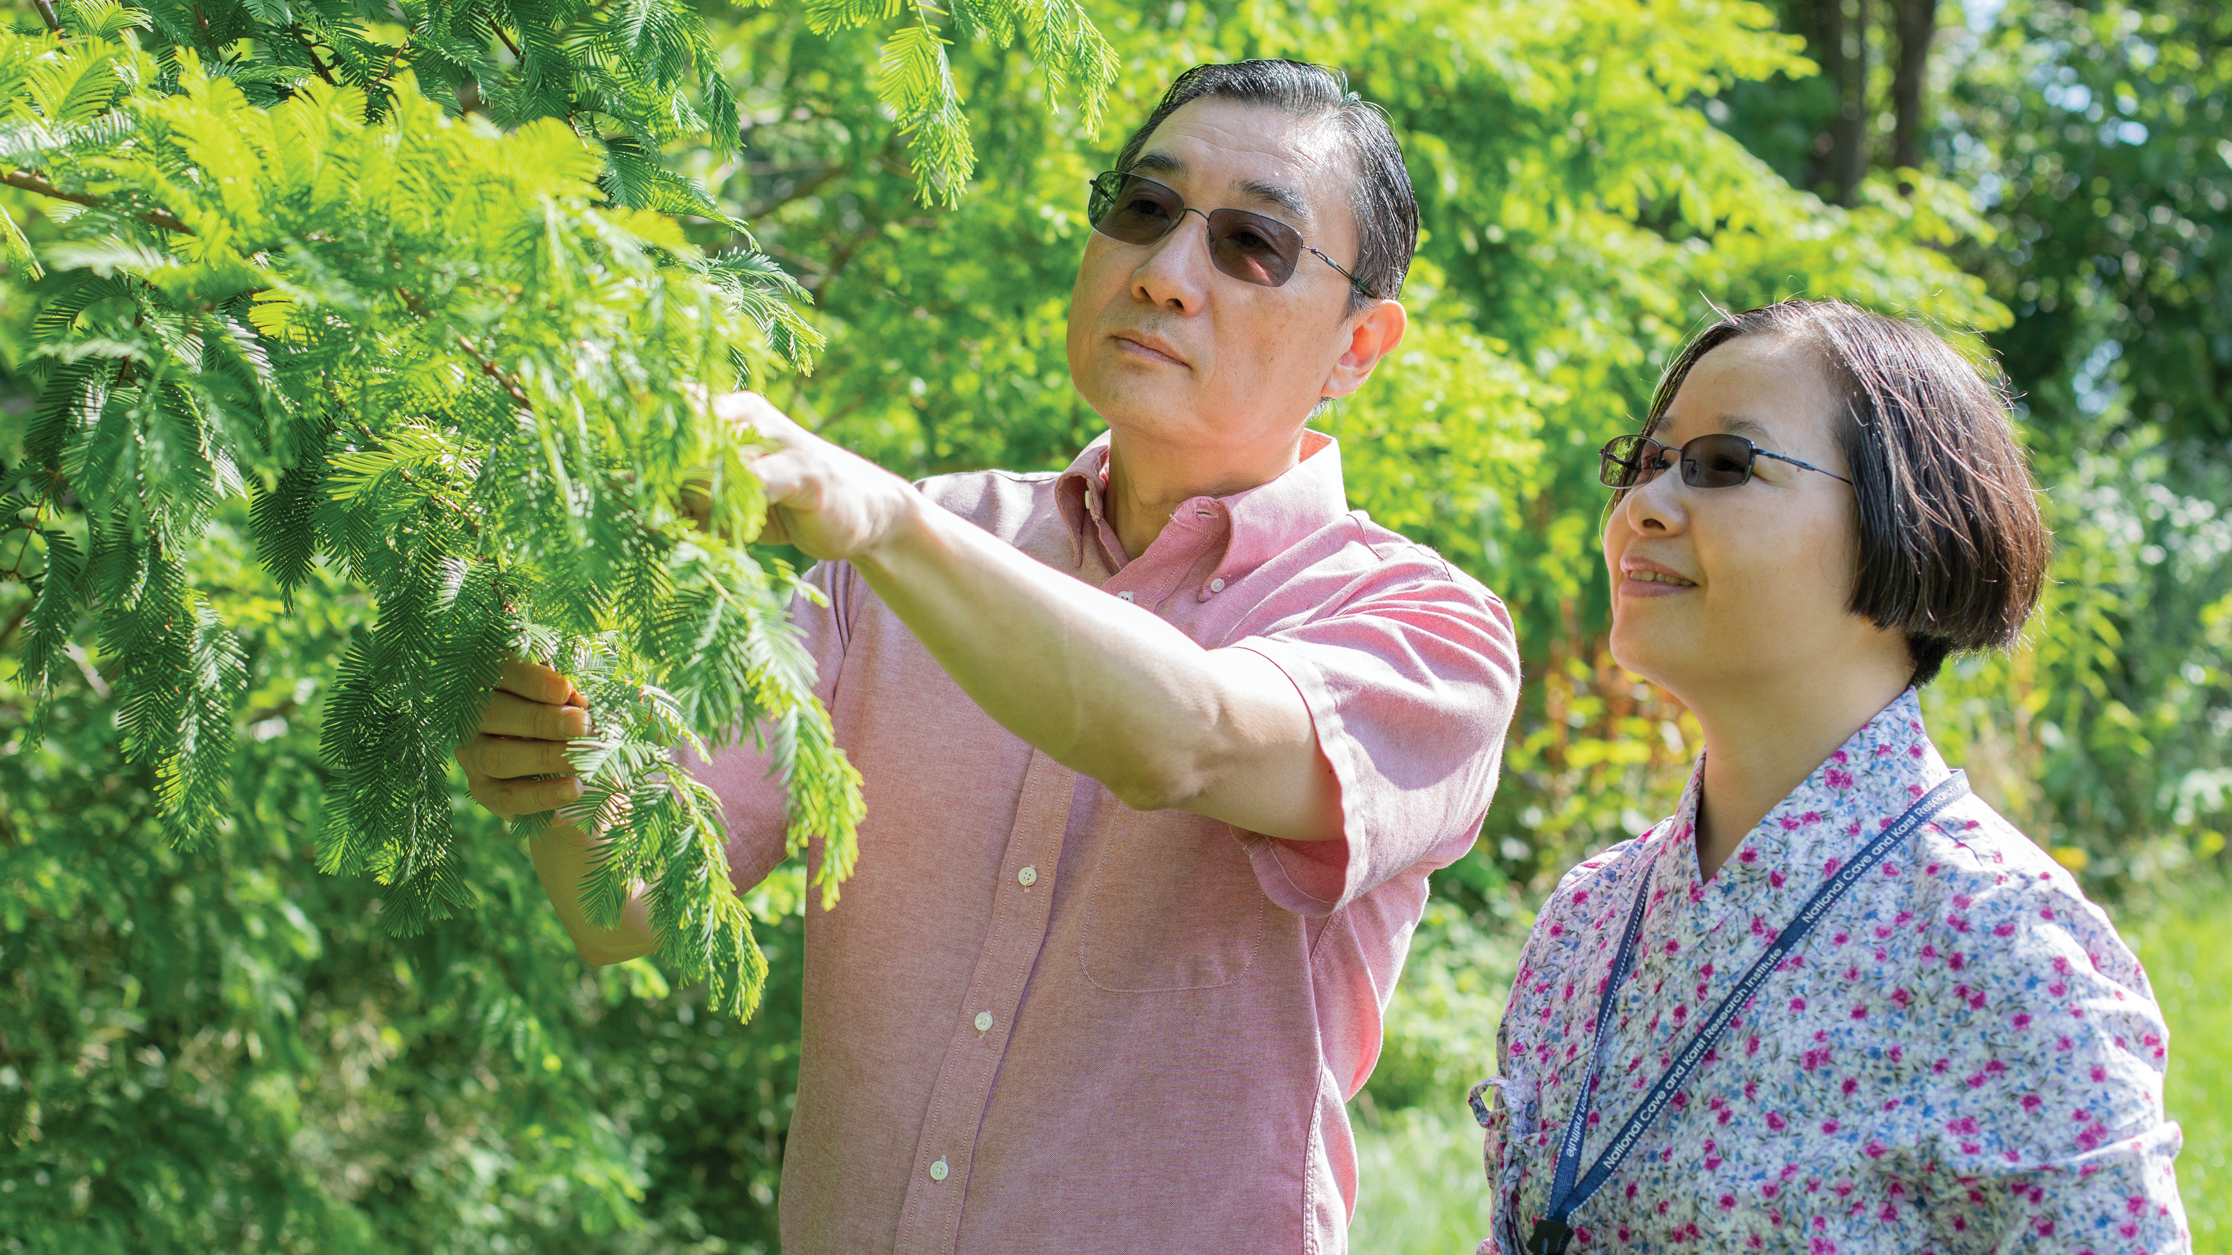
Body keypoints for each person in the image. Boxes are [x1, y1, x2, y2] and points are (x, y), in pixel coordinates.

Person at [458, 61, 1522, 1254]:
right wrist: (553, 736)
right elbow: (633, 897)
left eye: (1254, 244)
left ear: (1360, 346)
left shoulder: (1428, 628)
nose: (1168, 275)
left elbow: (1190, 737)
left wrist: (883, 520)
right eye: (1143, 209)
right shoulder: (901, 560)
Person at [1476, 298, 2188, 1254]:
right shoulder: (1585, 921)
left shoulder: (2008, 953)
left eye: (1723, 464)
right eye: (1645, 460)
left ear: (1912, 519)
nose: (1643, 504)